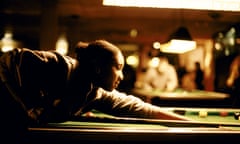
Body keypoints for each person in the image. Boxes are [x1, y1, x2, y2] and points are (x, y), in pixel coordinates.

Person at [0, 40, 190, 143]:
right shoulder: (61, 66)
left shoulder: (97, 94)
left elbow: (141, 109)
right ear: (99, 68)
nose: (122, 76)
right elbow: (12, 58)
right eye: (118, 67)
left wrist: (190, 123)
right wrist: (31, 104)